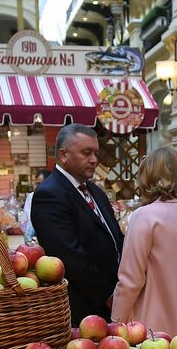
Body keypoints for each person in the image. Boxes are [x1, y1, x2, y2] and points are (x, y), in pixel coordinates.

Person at [110, 148, 177, 335]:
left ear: (147, 175)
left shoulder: (144, 217)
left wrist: (116, 321)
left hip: (147, 329)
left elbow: (130, 280)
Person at [30, 124, 124, 323]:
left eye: (95, 153)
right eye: (86, 153)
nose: (94, 160)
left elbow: (114, 238)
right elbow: (69, 255)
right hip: (82, 308)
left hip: (114, 301)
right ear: (63, 155)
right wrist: (107, 295)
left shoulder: (95, 191)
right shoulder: (49, 194)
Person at [19, 168, 50, 240]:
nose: (37, 187)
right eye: (36, 184)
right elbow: (27, 219)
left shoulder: (57, 197)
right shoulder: (32, 196)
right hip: (35, 238)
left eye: (40, 184)